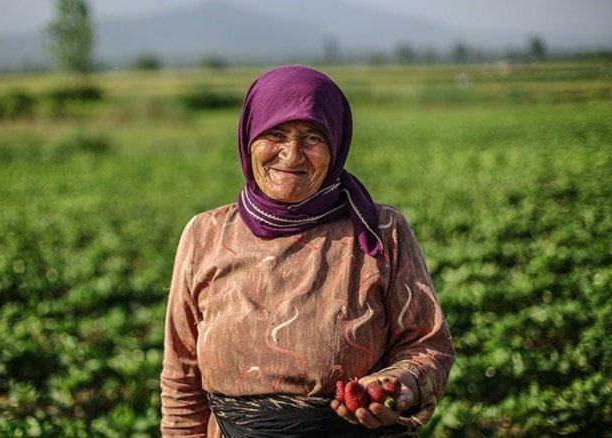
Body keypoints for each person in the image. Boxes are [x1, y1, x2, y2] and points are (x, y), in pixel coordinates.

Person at [160, 65, 455, 437]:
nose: (292, 154)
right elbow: (181, 380)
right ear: (249, 138)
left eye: (313, 137)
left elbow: (428, 347)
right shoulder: (205, 234)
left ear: (337, 143)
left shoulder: (381, 231)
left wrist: (395, 387)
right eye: (275, 134)